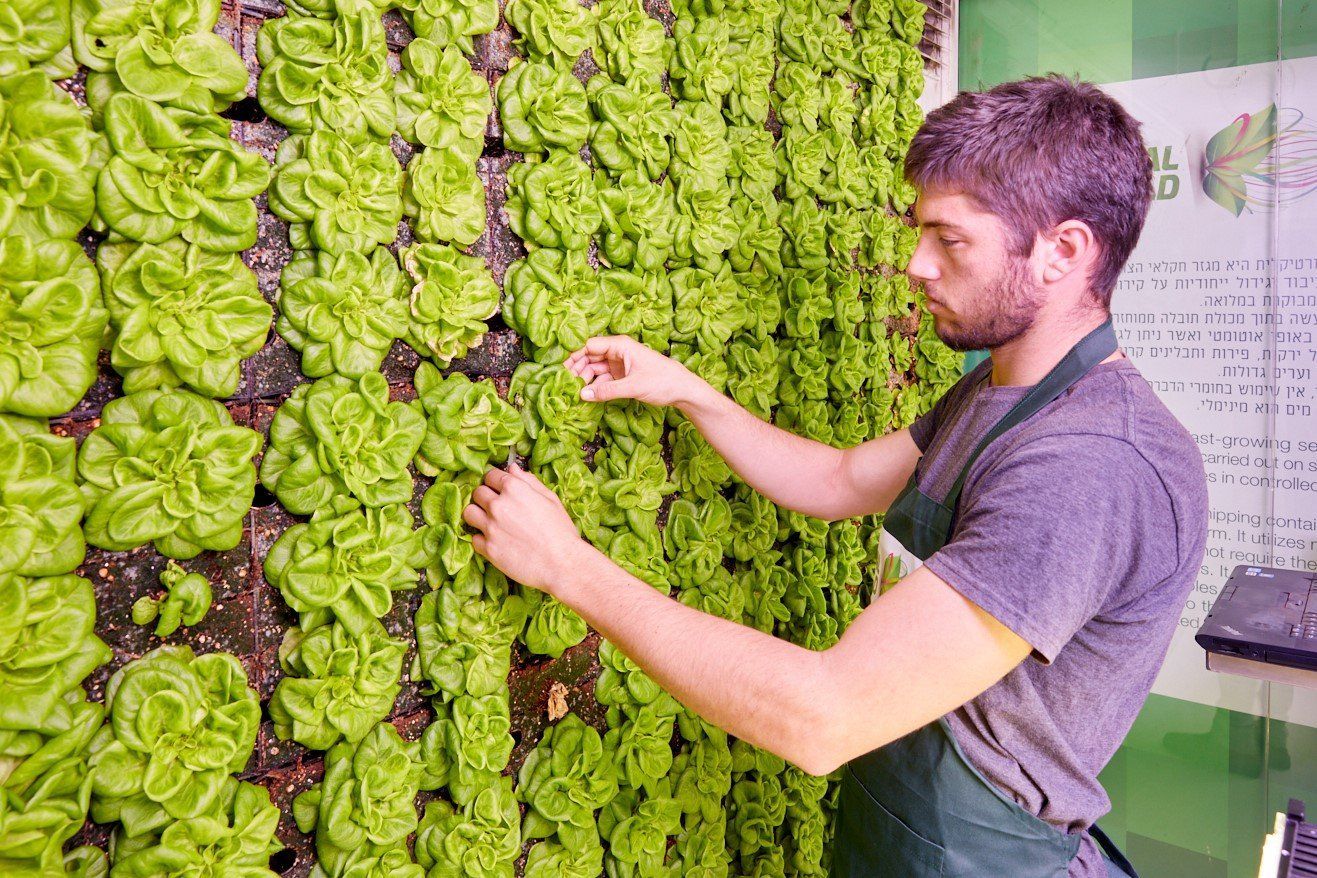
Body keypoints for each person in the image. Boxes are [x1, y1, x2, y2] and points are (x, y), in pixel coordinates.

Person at [462, 75, 1209, 878]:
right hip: (903, 815)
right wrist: (685, 390)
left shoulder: (1091, 464)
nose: (915, 265)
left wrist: (567, 567)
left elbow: (824, 716)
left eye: (949, 240)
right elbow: (841, 480)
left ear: (1062, 251)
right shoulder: (1000, 387)